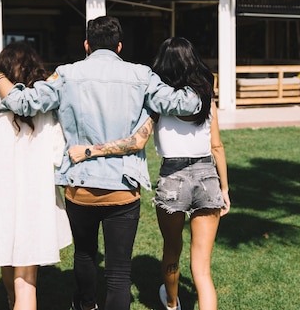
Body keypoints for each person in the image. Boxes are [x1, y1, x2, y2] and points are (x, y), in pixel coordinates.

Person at [0, 16, 202, 310]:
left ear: (87, 45)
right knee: (119, 273)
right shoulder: (141, 76)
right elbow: (186, 104)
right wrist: (198, 81)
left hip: (80, 186)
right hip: (123, 187)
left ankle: (86, 304)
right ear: (119, 46)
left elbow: (23, 103)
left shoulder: (65, 75)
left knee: (85, 255)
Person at [68, 37, 230, 310]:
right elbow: (217, 147)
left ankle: (170, 303)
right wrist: (224, 189)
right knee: (202, 270)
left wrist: (91, 151)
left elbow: (137, 141)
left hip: (173, 179)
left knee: (171, 249)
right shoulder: (205, 99)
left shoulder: (157, 104)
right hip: (207, 177)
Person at [0, 41, 71, 310]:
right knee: (27, 279)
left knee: (6, 254)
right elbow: (57, 151)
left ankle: (11, 301)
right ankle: (18, 300)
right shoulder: (41, 98)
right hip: (33, 192)